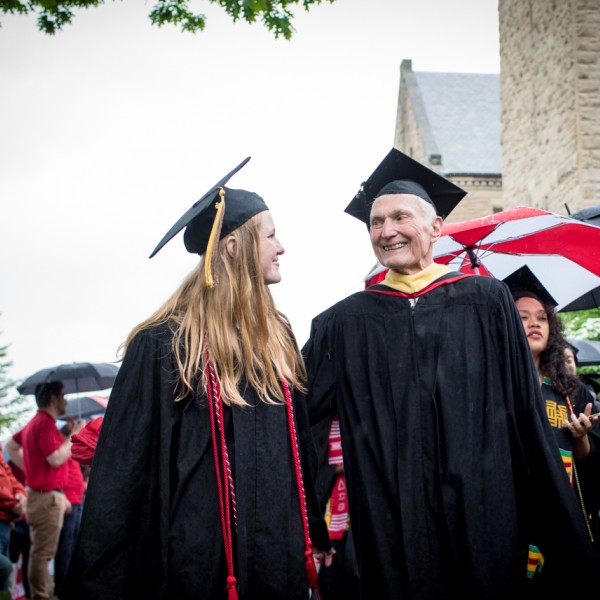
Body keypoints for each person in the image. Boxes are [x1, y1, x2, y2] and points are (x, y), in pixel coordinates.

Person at [302, 148, 600, 599]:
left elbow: (525, 411)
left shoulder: (486, 301)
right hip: (389, 518)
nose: (387, 231)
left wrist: (556, 521)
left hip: (482, 511)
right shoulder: (344, 323)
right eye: (376, 223)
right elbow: (298, 414)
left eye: (400, 217)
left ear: (435, 227)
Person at [59, 157, 333, 600]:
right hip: (197, 563)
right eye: (270, 235)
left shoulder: (276, 339)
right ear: (233, 246)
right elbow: (122, 476)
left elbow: (299, 446)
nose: (281, 246)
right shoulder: (164, 347)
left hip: (276, 558)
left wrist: (314, 534)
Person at [506, 266, 600, 558]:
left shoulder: (571, 392)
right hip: (513, 516)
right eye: (522, 317)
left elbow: (584, 461)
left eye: (542, 318)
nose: (535, 323)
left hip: (564, 512)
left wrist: (582, 437)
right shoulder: (493, 389)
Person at [5, 381, 81, 600]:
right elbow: (56, 458)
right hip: (46, 497)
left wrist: (31, 469)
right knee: (42, 554)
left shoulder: (34, 422)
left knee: (40, 552)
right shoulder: (45, 423)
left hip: (42, 495)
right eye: (63, 395)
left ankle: (39, 594)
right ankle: (40, 596)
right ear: (54, 398)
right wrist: (74, 436)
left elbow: (11, 446)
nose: (66, 400)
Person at [52, 421, 85, 596]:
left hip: (77, 499)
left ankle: (70, 581)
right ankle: (62, 585)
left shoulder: (69, 446)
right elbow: (59, 472)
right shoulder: (60, 446)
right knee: (66, 545)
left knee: (72, 544)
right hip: (69, 500)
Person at [0, 442, 27, 594]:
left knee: (3, 581)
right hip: (6, 515)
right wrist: (15, 502)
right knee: (5, 568)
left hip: (5, 521)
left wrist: (21, 495)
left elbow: (11, 477)